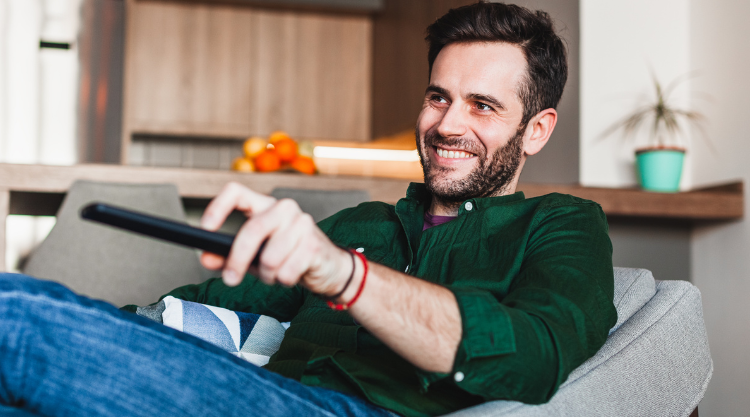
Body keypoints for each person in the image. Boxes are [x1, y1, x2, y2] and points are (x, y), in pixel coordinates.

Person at [0, 3, 616, 417]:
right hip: (259, 390)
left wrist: (347, 276)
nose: (447, 124)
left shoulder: (561, 225)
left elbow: (536, 355)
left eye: (482, 105)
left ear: (536, 130)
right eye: (438, 97)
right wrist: (105, 329)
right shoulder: (361, 225)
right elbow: (210, 306)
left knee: (14, 318)